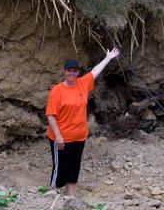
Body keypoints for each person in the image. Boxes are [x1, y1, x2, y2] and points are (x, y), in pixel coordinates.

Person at [45, 48, 120, 198]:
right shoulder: (57, 90)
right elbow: (50, 115)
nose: (72, 74)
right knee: (60, 165)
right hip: (61, 137)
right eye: (69, 71)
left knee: (74, 165)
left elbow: (94, 72)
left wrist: (108, 58)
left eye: (75, 71)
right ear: (64, 71)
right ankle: (53, 191)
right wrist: (58, 136)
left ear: (77, 72)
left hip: (79, 136)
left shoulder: (82, 84)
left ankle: (71, 195)